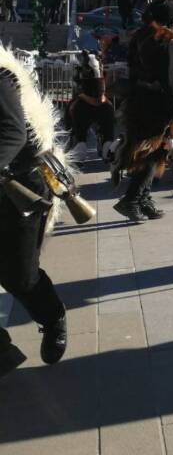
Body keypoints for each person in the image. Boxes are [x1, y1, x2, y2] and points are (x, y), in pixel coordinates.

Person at [0, 42, 70, 376]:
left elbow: (12, 134)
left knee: (19, 275)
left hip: (18, 189)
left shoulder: (0, 76)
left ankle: (52, 316)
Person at [112, 0, 173, 223]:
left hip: (138, 101)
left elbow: (132, 70)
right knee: (153, 153)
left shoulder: (141, 36)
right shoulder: (169, 41)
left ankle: (143, 198)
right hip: (159, 103)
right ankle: (132, 199)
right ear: (170, 19)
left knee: (147, 151)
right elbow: (171, 81)